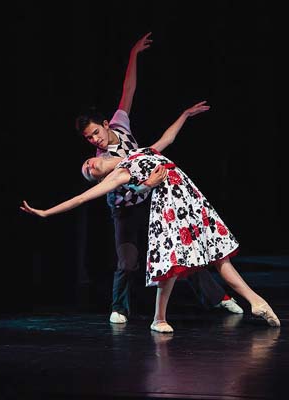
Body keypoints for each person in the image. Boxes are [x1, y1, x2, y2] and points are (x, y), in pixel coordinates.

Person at [21, 104, 281, 333]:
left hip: (188, 199)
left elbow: (167, 138)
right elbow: (80, 199)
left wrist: (185, 115)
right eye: (89, 171)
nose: (89, 165)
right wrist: (46, 212)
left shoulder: (135, 152)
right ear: (100, 177)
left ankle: (252, 300)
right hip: (168, 208)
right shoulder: (119, 175)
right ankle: (156, 317)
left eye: (87, 163)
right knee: (170, 263)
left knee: (216, 254)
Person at [75, 33, 243, 324]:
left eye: (96, 133)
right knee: (128, 261)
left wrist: (133, 54)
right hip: (125, 209)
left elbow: (129, 89)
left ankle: (219, 298)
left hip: (150, 202)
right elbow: (126, 182)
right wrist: (145, 185)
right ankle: (119, 308)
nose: (95, 140)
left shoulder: (120, 124)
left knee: (180, 251)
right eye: (89, 138)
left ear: (105, 124)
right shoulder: (100, 162)